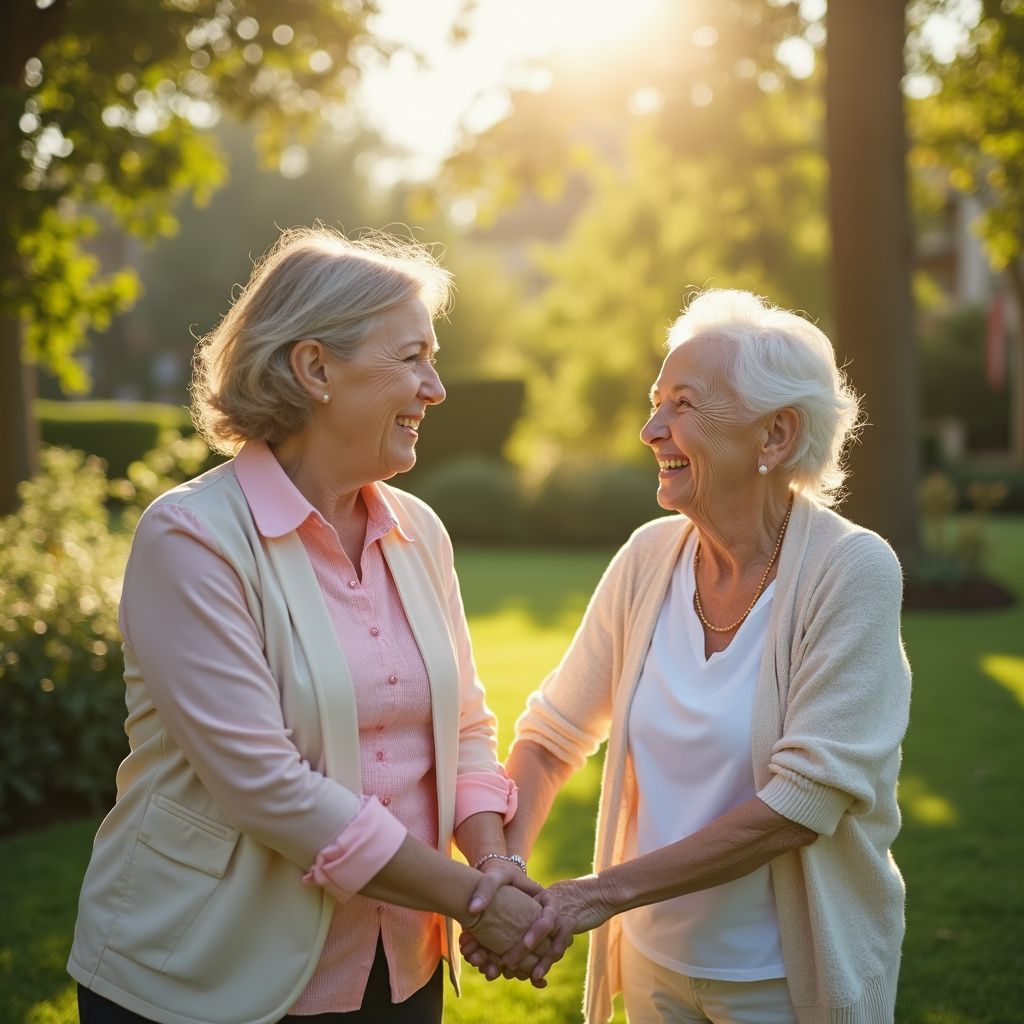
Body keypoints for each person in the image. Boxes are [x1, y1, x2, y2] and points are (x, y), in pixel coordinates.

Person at [68, 227, 550, 1024]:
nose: (435, 387)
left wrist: (495, 863)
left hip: (398, 975)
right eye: (411, 358)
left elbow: (464, 727)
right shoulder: (192, 537)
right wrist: (474, 899)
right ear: (315, 367)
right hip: (203, 976)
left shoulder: (419, 530)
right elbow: (269, 787)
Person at [463, 289, 912, 1024]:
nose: (649, 430)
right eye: (654, 402)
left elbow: (801, 805)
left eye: (683, 406)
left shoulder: (851, 570)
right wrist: (502, 881)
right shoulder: (648, 558)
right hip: (650, 970)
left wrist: (591, 894)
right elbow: (549, 736)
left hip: (783, 980)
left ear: (774, 437)